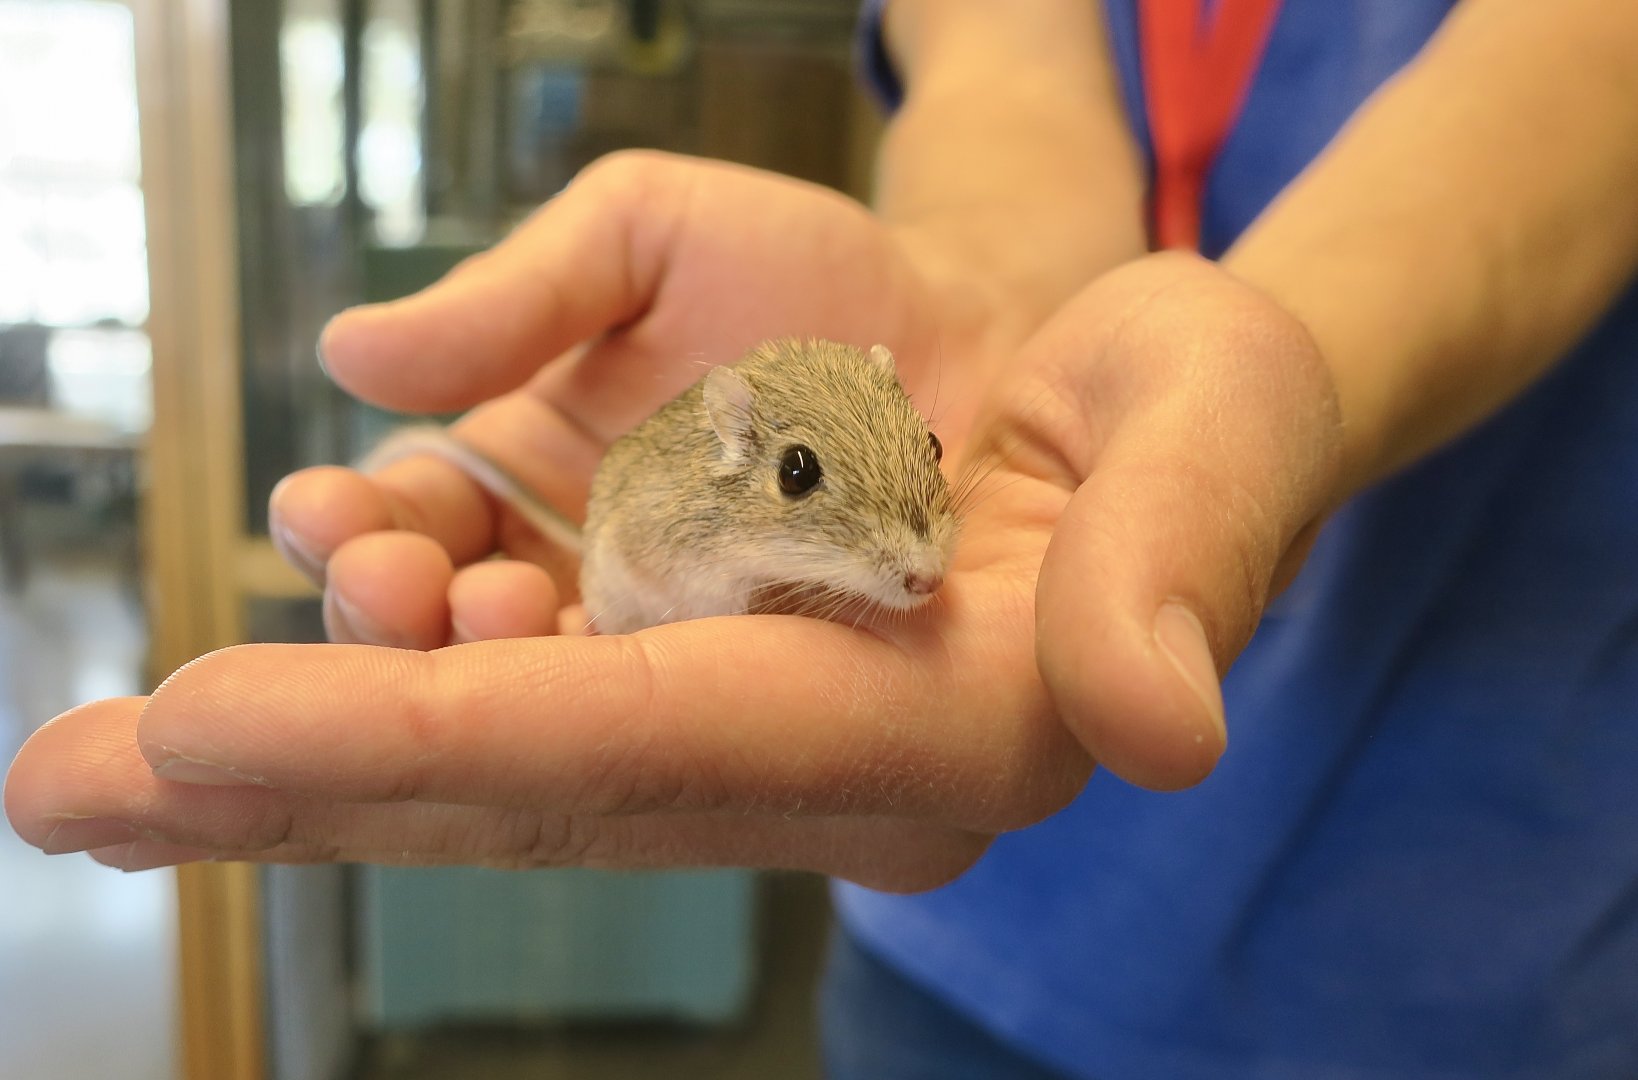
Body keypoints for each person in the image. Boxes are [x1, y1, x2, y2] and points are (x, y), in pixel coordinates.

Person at [7, 0, 1638, 1075]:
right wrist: (1003, 249)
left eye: (918, 466)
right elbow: (996, 49)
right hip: (938, 954)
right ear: (742, 457)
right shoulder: (699, 482)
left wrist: (1263, 353)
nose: (916, 557)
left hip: (1462, 944)